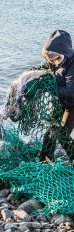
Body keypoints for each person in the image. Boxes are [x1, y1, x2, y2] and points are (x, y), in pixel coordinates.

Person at [39, 30, 74, 162]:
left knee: (62, 135)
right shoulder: (52, 60)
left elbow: (71, 92)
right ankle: (44, 161)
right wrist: (31, 75)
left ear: (63, 53)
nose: (51, 61)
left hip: (72, 105)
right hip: (59, 102)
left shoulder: (72, 64)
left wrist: (50, 88)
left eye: (53, 57)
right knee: (50, 132)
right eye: (48, 57)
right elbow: (42, 69)